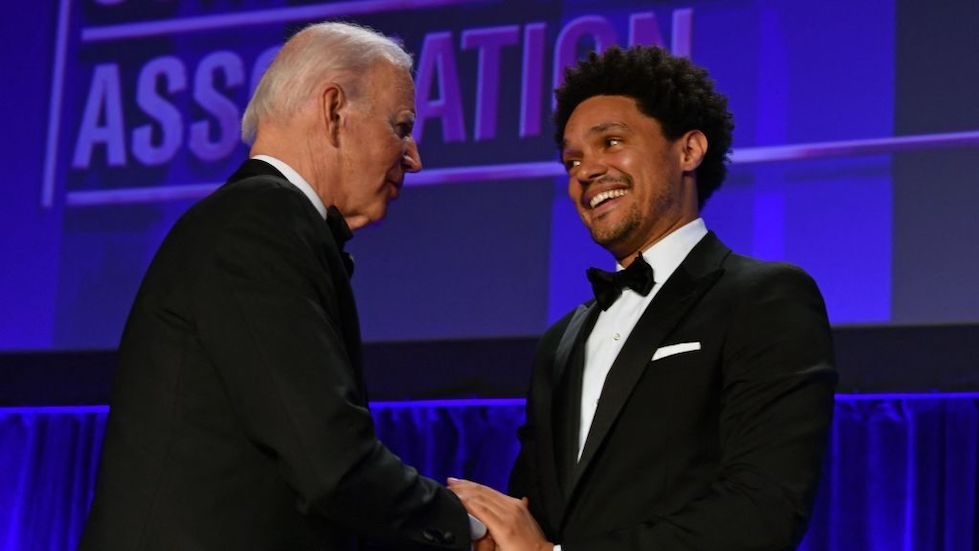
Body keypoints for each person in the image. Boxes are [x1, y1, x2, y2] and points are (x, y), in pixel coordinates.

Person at [80, 22, 471, 551]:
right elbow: (330, 462)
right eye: (401, 126)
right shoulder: (261, 222)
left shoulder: (259, 222)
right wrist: (469, 526)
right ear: (334, 111)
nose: (413, 156)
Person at [449, 45, 837, 550]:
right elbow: (534, 518)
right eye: (572, 160)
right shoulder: (560, 342)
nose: (586, 172)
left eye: (611, 142)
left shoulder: (766, 298)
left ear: (689, 150)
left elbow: (762, 510)